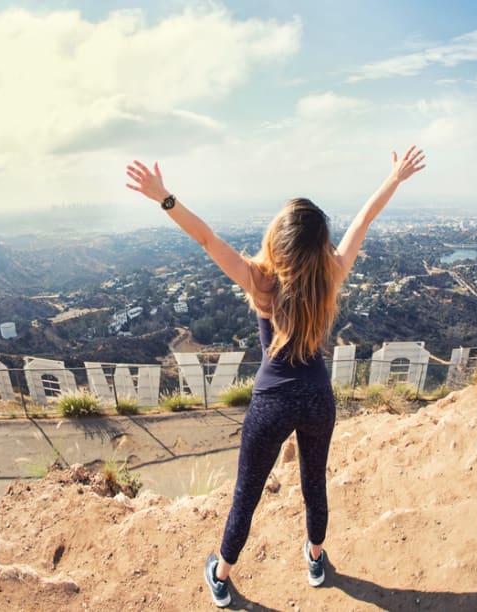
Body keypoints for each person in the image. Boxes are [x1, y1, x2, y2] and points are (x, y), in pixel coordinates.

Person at [125, 146, 426, 608]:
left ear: (276, 242)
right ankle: (315, 558)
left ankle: (222, 576)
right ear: (319, 247)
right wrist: (394, 178)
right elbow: (362, 222)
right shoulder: (331, 278)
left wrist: (164, 198)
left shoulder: (259, 281)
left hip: (271, 402)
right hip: (318, 399)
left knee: (247, 492)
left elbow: (206, 239)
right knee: (314, 483)